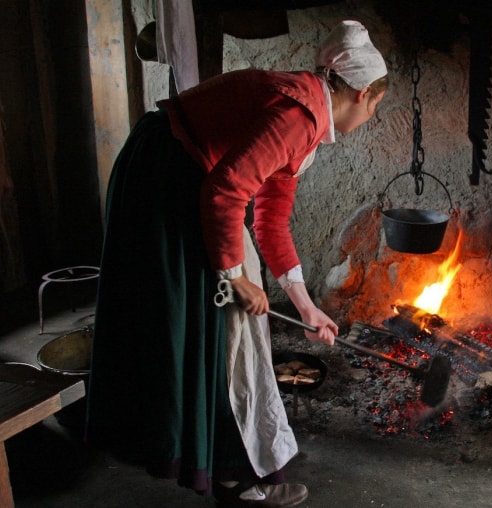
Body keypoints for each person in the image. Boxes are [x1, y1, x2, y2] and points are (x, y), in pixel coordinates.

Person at [85, 19, 388, 507]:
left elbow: (270, 221)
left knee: (231, 329)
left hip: (181, 174)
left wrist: (305, 306)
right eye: (375, 105)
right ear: (362, 93)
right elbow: (224, 192)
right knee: (225, 327)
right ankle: (233, 475)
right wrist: (234, 276)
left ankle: (234, 466)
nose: (370, 116)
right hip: (167, 176)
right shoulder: (298, 114)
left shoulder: (305, 115)